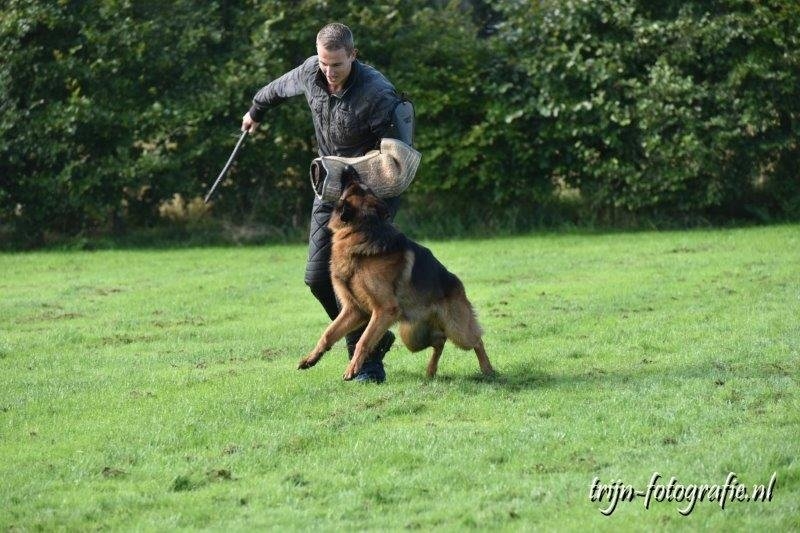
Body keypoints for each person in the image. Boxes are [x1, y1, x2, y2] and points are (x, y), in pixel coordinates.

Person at [241, 22, 410, 382]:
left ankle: (367, 361)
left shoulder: (378, 93)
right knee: (318, 278)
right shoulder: (310, 72)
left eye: (337, 64)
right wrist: (254, 112)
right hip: (329, 190)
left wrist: (365, 183)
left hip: (369, 199)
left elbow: (396, 162)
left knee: (363, 283)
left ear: (353, 55)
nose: (329, 73)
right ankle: (374, 341)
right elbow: (274, 90)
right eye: (323, 63)